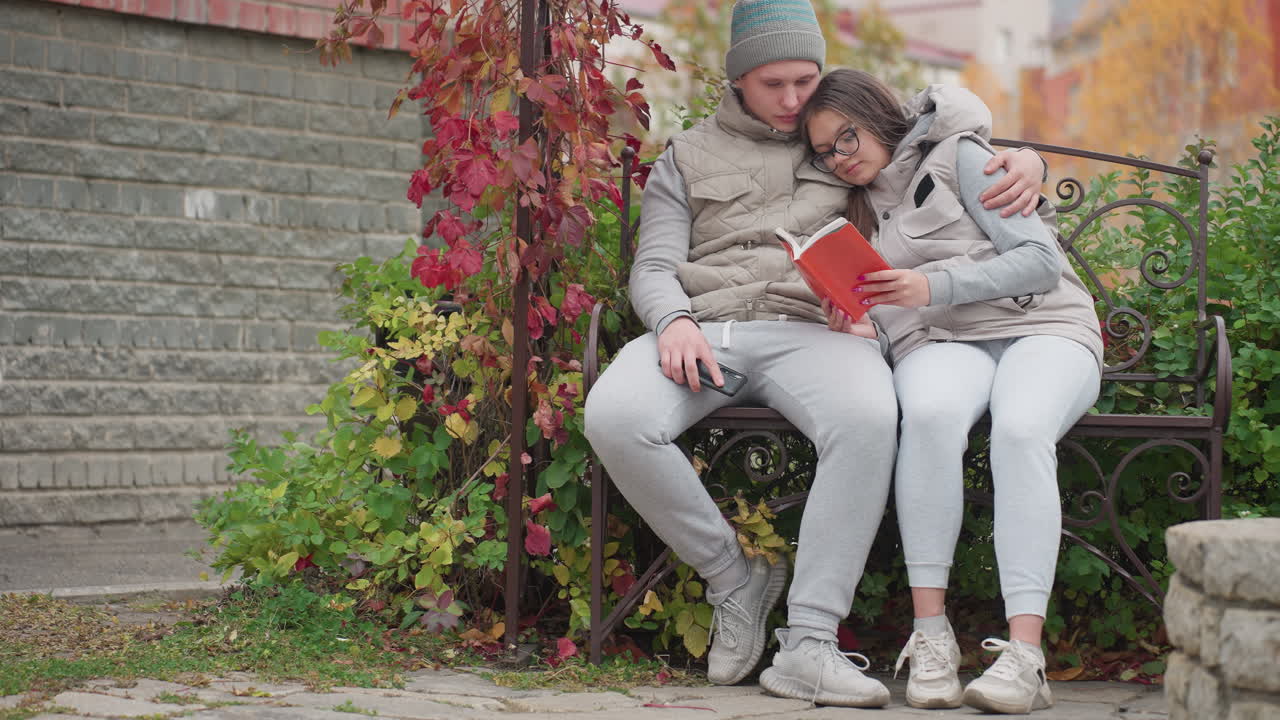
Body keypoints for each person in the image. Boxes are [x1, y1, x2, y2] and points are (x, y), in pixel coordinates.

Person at [583, 0, 1046, 707]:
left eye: (806, 80)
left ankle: (809, 644)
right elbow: (653, 265)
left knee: (867, 418)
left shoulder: (834, 133)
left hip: (815, 333)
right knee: (615, 415)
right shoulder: (687, 156)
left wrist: (1026, 157)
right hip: (704, 329)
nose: (795, 100)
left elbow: (935, 119)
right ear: (739, 79)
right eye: (776, 85)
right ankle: (734, 575)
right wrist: (673, 320)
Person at [799, 68, 1104, 714]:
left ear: (874, 112)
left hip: (1041, 323)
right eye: (826, 152)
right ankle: (931, 635)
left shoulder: (957, 153)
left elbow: (1041, 261)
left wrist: (932, 286)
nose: (840, 159)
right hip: (940, 344)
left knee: (1022, 427)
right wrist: (857, 319)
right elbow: (887, 315)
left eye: (846, 138)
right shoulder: (854, 212)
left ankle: (1025, 658)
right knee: (931, 415)